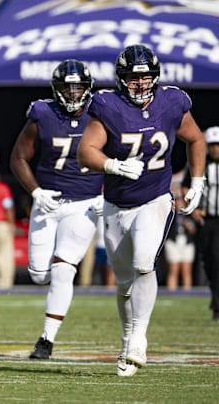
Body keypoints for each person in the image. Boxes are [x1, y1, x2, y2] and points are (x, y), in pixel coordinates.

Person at [77, 44, 206, 377]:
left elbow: (195, 138)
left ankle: (139, 337)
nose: (140, 83)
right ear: (121, 79)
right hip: (117, 204)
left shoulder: (172, 101)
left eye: (146, 76)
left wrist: (199, 181)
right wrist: (114, 166)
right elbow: (85, 152)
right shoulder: (107, 105)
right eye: (134, 78)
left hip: (156, 198)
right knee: (123, 283)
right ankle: (126, 339)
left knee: (143, 263)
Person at [10, 59, 103, 360]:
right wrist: (36, 191)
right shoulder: (42, 113)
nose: (74, 92)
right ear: (56, 88)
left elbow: (122, 153)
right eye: (68, 86)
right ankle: (49, 312)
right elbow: (18, 158)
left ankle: (46, 340)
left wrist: (108, 193)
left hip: (85, 204)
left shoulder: (102, 114)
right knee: (39, 274)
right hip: (48, 203)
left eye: (79, 86)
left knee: (64, 270)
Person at [183, 126, 219, 321]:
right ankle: (216, 303)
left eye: (217, 145)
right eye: (212, 145)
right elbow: (185, 187)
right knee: (211, 262)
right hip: (207, 220)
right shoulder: (200, 164)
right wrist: (193, 208)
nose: (215, 150)